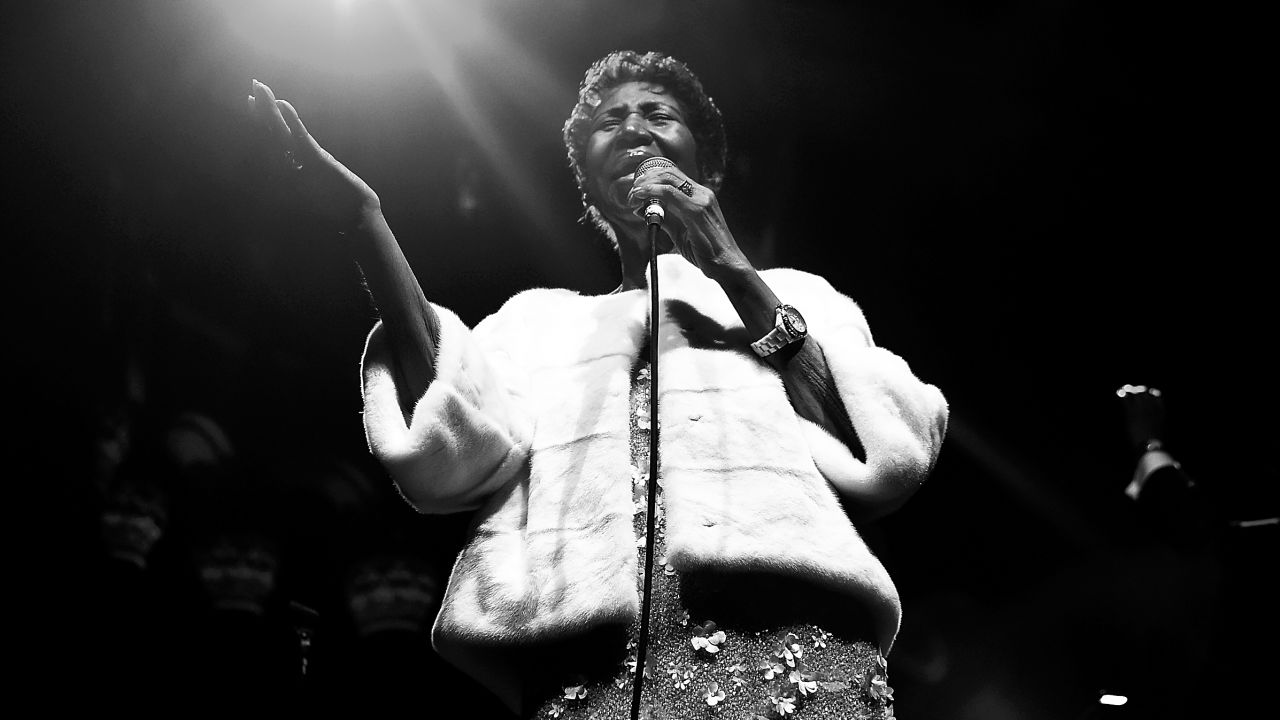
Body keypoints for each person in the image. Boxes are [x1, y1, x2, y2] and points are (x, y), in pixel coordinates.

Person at [247, 50, 948, 720]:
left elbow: (889, 452)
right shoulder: (537, 325)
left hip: (795, 655)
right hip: (595, 678)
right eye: (610, 121)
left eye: (657, 114)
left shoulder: (795, 295)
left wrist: (729, 265)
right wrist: (365, 224)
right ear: (588, 176)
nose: (634, 129)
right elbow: (449, 450)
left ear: (703, 157)